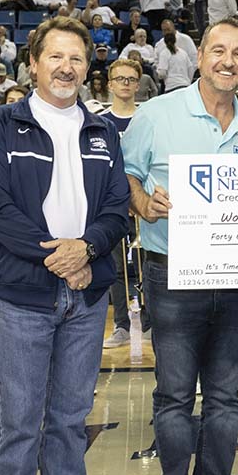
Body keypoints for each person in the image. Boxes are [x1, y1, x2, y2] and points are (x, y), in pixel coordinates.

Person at [0, 16, 130, 475]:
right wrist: (61, 255)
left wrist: (86, 249)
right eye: (56, 57)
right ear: (35, 63)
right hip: (25, 293)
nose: (66, 67)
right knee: (18, 417)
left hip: (87, 294)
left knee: (69, 415)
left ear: (89, 68)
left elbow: (115, 208)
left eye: (77, 59)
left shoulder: (103, 129)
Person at [121, 18, 238, 475]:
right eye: (219, 50)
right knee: (176, 396)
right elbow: (127, 176)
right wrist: (145, 204)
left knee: (225, 399)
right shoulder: (155, 115)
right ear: (200, 55)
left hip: (234, 283)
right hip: (173, 274)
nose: (228, 61)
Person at [99, 58, 151, 348]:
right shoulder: (101, 121)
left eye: (131, 79)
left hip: (143, 205)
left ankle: (150, 322)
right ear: (110, 84)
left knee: (148, 264)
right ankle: (120, 324)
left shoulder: (147, 117)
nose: (126, 84)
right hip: (113, 206)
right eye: (120, 79)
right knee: (116, 268)